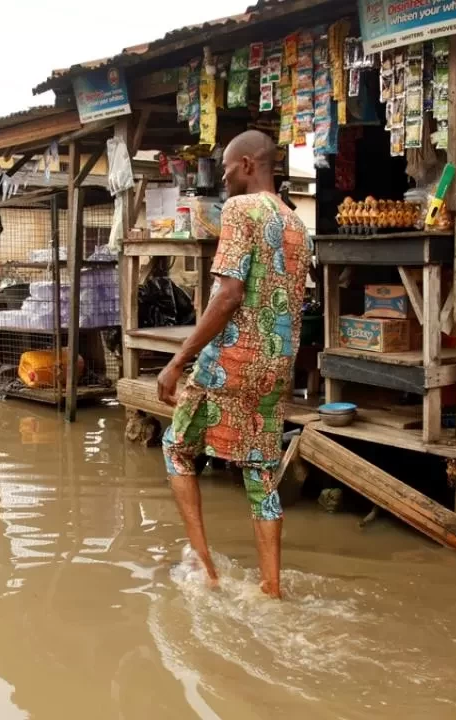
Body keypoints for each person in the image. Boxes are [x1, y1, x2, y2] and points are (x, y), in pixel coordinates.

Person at [157, 130, 312, 599]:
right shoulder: (295, 223)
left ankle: (205, 568)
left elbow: (228, 295)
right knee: (260, 472)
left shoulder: (241, 211)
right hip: (276, 364)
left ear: (247, 164)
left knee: (176, 448)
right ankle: (271, 587)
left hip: (233, 358)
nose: (221, 176)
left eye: (225, 166)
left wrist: (177, 362)